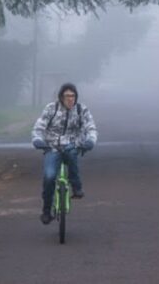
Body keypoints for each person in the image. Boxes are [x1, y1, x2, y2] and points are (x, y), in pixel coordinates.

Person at [32, 83, 97, 225]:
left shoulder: (81, 110)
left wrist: (90, 141)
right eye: (67, 96)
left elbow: (91, 127)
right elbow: (39, 127)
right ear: (61, 97)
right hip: (52, 148)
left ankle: (77, 187)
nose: (70, 99)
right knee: (49, 177)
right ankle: (46, 211)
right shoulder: (51, 108)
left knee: (72, 154)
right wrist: (38, 140)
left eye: (73, 96)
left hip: (72, 145)